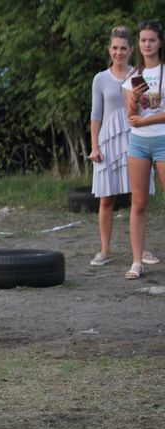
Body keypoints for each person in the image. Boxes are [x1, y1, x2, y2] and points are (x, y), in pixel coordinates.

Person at [88, 26, 157, 268]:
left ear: (130, 50)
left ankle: (140, 250)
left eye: (123, 48)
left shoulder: (139, 75)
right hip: (108, 141)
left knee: (138, 199)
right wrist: (95, 147)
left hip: (135, 137)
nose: (119, 53)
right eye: (115, 48)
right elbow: (96, 114)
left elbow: (148, 108)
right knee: (106, 199)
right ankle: (105, 250)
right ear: (109, 49)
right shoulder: (100, 79)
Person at [123, 20, 165, 280]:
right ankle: (137, 261)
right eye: (142, 40)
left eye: (151, 40)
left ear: (160, 43)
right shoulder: (133, 76)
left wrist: (145, 121)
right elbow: (131, 114)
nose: (147, 44)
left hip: (162, 138)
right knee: (138, 203)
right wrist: (136, 100)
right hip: (138, 142)